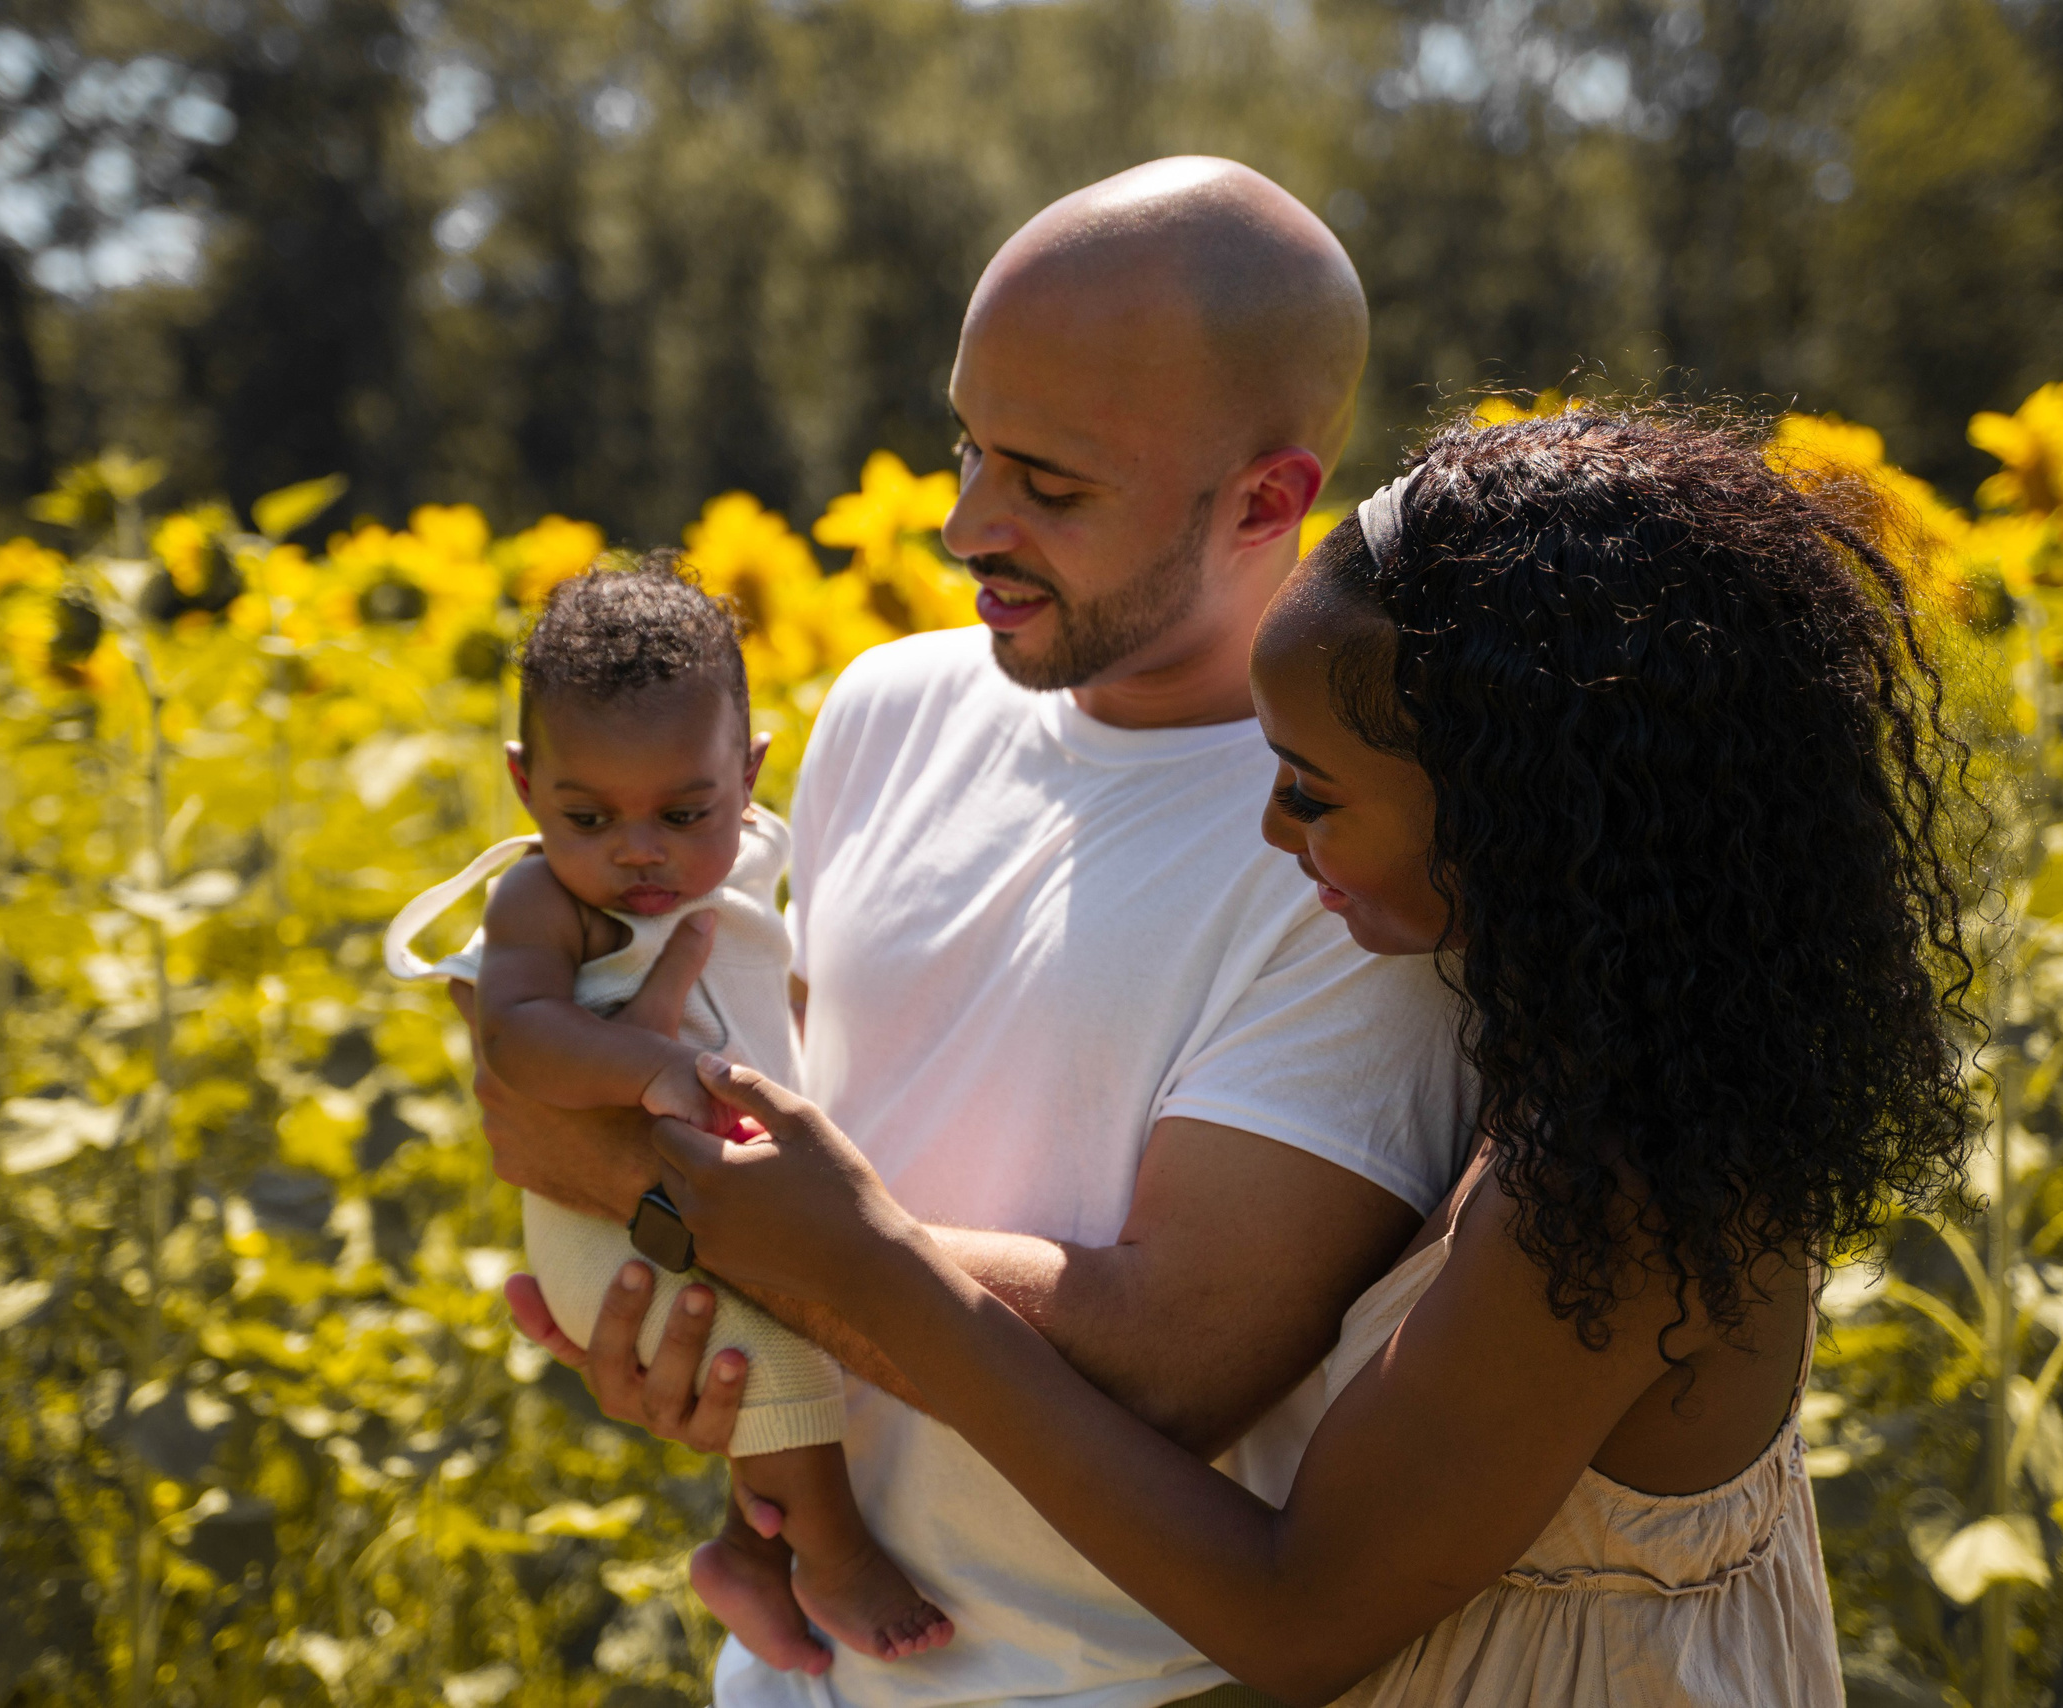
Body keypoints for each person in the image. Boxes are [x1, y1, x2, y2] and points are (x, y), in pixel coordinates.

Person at [613, 408, 1981, 1707]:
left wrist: (870, 1267)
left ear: (1519, 815)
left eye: (1314, 790)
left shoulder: (1627, 1176)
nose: (1274, 832)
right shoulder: (1607, 1049)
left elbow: (1292, 1618)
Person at [455, 156, 1478, 1707]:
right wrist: (730, 1308)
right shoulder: (888, 707)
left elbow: (1175, 1360)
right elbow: (560, 1111)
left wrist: (752, 1246)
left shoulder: (1358, 846)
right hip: (797, 1664)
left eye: (1050, 487)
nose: (961, 524)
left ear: (1269, 498)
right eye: (967, 448)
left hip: (1106, 1683)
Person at [385, 561, 950, 1663]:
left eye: (683, 812)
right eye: (584, 813)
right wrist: (647, 1070)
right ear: (522, 783)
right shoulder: (543, 896)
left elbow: (751, 975)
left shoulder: (749, 859)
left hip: (708, 1182)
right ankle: (834, 1557)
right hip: (599, 1215)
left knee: (788, 1338)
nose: (637, 850)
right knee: (775, 1370)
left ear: (748, 774)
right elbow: (514, 1038)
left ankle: (746, 1556)